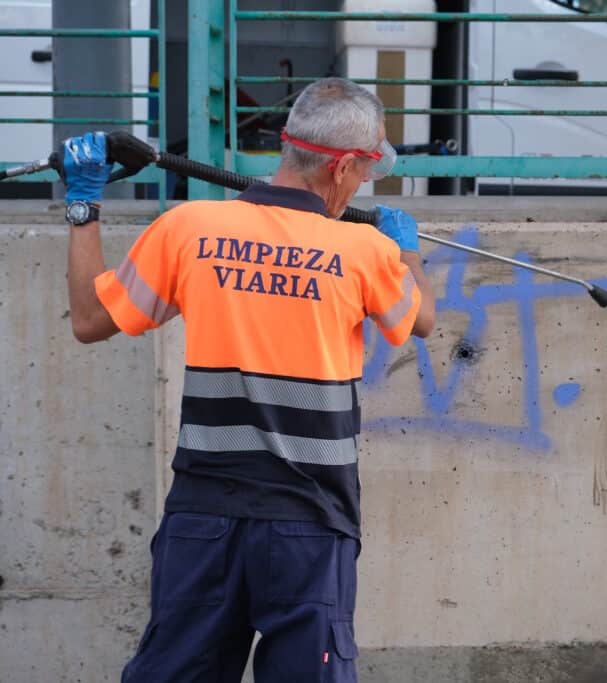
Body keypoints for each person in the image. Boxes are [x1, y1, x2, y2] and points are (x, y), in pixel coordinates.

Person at [62, 78, 435, 682]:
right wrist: (407, 250)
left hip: (203, 519)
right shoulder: (365, 251)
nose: (366, 184)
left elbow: (88, 321)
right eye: (367, 170)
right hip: (310, 526)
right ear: (342, 167)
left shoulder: (188, 229)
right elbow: (422, 320)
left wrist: (83, 206)